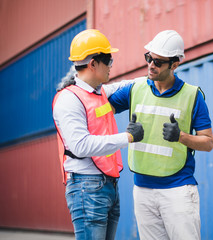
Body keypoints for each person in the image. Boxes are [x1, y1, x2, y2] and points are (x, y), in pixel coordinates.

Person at [109, 30, 213, 240]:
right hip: (142, 190)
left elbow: (208, 142)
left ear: (174, 64)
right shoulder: (135, 89)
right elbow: (101, 110)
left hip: (178, 190)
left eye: (158, 61)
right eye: (148, 58)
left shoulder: (192, 95)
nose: (151, 65)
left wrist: (181, 137)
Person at [52, 29, 144, 240]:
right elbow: (80, 146)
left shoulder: (98, 93)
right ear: (93, 63)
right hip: (87, 188)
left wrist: (152, 77)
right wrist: (127, 137)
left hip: (106, 186)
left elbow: (125, 86)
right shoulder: (69, 100)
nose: (112, 65)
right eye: (108, 60)